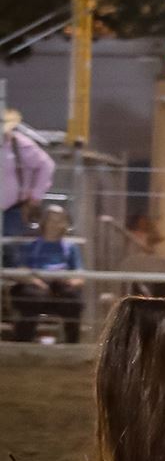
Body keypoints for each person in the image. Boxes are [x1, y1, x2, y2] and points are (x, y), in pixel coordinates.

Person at [3, 202, 84, 342]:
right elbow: (20, 269)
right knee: (32, 297)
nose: (55, 224)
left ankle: (72, 344)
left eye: (59, 220)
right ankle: (23, 342)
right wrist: (36, 282)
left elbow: (80, 276)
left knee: (72, 299)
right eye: (51, 220)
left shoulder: (70, 247)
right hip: (35, 284)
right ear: (44, 222)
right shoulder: (30, 245)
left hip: (60, 286)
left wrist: (69, 281)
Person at [1, 109, 55, 237]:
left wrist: (35, 196)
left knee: (11, 247)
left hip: (13, 211)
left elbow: (46, 165)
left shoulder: (20, 144)